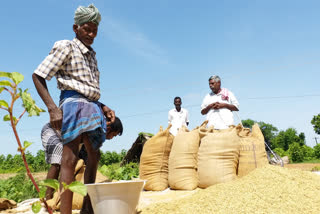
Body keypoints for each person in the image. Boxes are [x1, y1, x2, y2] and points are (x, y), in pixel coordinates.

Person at [32, 4, 113, 214]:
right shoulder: (66, 46)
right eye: (87, 29)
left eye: (95, 30)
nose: (92, 34)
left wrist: (103, 106)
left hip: (92, 107)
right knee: (69, 159)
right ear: (76, 28)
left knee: (94, 156)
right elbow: (38, 75)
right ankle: (65, 211)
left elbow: (89, 88)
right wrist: (52, 108)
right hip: (73, 105)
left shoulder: (92, 55)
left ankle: (88, 208)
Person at [41, 117, 123, 200]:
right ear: (108, 129)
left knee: (84, 162)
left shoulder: (97, 132)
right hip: (54, 131)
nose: (112, 138)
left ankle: (64, 196)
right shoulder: (94, 124)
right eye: (113, 135)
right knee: (58, 160)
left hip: (72, 137)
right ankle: (49, 198)